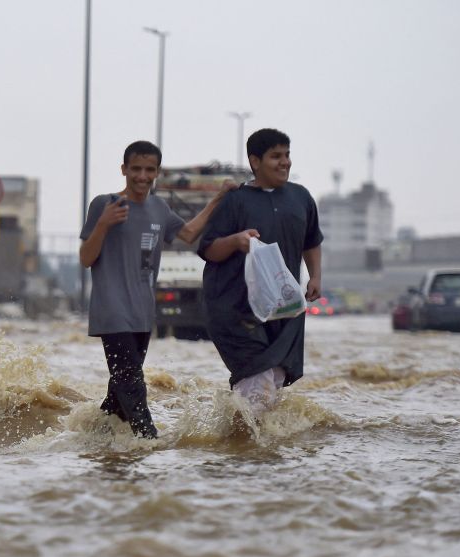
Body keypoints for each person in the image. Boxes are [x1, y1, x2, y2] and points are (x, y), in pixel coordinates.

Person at [80, 140, 233, 438]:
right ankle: (149, 444)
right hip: (112, 313)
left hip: (142, 313)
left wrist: (218, 199)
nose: (141, 176)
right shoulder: (105, 204)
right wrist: (103, 225)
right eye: (135, 168)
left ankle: (93, 440)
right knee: (133, 384)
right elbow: (86, 258)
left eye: (149, 170)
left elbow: (188, 234)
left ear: (157, 173)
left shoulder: (158, 208)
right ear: (124, 169)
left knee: (119, 393)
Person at [197, 128, 323, 416]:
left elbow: (312, 241)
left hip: (283, 308)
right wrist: (236, 241)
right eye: (276, 156)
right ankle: (248, 451)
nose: (285, 162)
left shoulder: (301, 198)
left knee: (274, 379)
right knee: (258, 379)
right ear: (255, 161)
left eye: (287, 155)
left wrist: (315, 276)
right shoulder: (235, 200)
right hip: (236, 310)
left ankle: (248, 448)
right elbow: (209, 249)